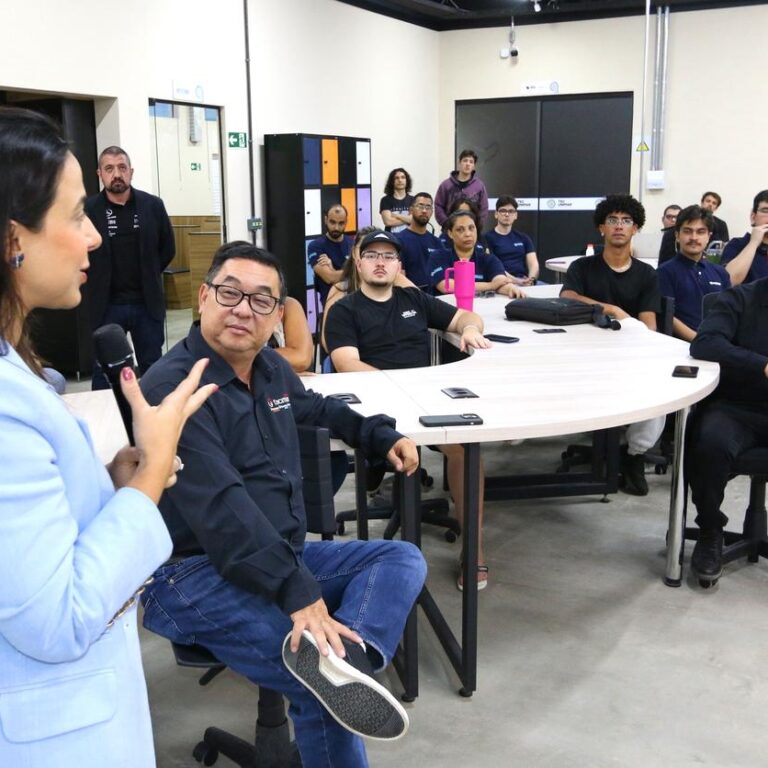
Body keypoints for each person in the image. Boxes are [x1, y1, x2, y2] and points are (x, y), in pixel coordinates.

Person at [139, 241, 427, 766]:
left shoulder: (269, 368)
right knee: (319, 691)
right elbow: (223, 510)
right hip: (190, 573)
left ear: (278, 315)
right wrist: (299, 593)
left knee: (400, 557)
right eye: (230, 293)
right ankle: (336, 674)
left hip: (277, 553)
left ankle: (349, 663)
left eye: (261, 301)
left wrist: (378, 434)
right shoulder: (174, 388)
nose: (243, 309)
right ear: (203, 296)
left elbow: (316, 407)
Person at [0, 107, 216, 768]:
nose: (92, 236)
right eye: (73, 216)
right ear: (12, 239)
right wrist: (150, 478)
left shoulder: (20, 373)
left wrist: (113, 493)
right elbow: (57, 619)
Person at [324, 229, 493, 590]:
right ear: (358, 261)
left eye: (388, 256)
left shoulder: (414, 299)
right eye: (372, 255)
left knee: (466, 449)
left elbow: (466, 317)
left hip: (424, 402)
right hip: (376, 407)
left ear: (399, 264)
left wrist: (469, 331)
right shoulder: (345, 309)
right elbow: (345, 363)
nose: (380, 262)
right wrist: (399, 387)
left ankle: (474, 549)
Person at [560, 194, 663, 496]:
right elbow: (568, 297)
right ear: (601, 228)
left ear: (635, 228)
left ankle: (634, 455)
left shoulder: (646, 274)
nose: (619, 226)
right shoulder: (583, 266)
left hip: (629, 355)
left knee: (661, 388)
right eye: (612, 220)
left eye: (626, 221)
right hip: (583, 355)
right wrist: (611, 309)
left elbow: (649, 326)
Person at [687, 277, 768, 581]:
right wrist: (761, 364)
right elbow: (705, 343)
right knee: (710, 444)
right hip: (737, 406)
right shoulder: (739, 299)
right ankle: (710, 530)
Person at [85, 145, 175, 389]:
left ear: (131, 172)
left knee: (154, 368)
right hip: (106, 305)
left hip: (146, 304)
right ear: (100, 174)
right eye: (109, 168)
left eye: (122, 168)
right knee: (104, 371)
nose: (117, 174)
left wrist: (149, 274)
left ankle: (155, 419)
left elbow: (168, 248)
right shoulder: (88, 210)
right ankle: (105, 423)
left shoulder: (152, 206)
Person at [657, 204, 730, 341]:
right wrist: (699, 340)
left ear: (709, 236)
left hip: (720, 343)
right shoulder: (664, 272)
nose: (694, 237)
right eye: (687, 231)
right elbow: (667, 316)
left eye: (700, 232)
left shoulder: (720, 273)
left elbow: (729, 312)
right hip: (682, 347)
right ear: (677, 235)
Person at [429, 210, 526, 298]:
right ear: (450, 234)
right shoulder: (438, 256)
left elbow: (500, 281)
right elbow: (447, 286)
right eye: (460, 230)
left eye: (471, 228)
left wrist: (511, 289)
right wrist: (490, 285)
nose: (467, 234)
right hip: (447, 311)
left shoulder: (488, 259)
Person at [484, 195, 539, 286]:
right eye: (503, 211)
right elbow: (494, 267)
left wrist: (531, 280)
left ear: (516, 215)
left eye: (511, 211)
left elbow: (533, 263)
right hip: (502, 283)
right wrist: (517, 281)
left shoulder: (523, 238)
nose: (507, 214)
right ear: (496, 214)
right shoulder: (487, 238)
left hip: (525, 282)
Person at [307, 204, 353, 307]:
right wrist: (354, 271)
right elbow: (329, 278)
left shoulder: (352, 243)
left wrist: (333, 270)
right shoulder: (315, 246)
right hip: (331, 300)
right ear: (326, 220)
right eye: (332, 222)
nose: (336, 227)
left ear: (346, 222)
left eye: (341, 223)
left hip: (353, 297)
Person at [720, 190, 768, 286]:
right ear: (753, 217)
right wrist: (754, 243)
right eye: (765, 211)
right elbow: (728, 281)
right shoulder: (737, 244)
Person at [397, 192, 443, 291]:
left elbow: (444, 276)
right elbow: (400, 277)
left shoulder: (437, 242)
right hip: (411, 296)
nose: (424, 211)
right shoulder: (399, 240)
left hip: (436, 297)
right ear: (411, 209)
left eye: (428, 207)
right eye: (420, 206)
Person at [434, 149, 489, 227]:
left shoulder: (479, 186)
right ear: (459, 163)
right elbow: (438, 206)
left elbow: (483, 209)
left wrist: (476, 226)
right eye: (465, 161)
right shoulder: (446, 185)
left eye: (471, 162)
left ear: (474, 166)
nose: (468, 164)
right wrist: (447, 224)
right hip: (449, 230)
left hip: (471, 231)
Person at [379, 168, 414, 233]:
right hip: (392, 239)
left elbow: (413, 220)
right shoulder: (385, 200)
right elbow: (388, 222)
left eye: (403, 177)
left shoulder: (413, 200)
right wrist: (408, 218)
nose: (400, 180)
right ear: (392, 182)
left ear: (407, 181)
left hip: (409, 238)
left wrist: (396, 215)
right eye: (396, 178)